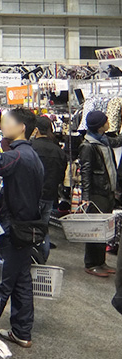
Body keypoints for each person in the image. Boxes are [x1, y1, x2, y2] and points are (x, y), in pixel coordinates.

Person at [0, 107, 44, 349]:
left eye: (7, 122)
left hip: (13, 228)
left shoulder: (16, 156)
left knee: (1, 282)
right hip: (28, 228)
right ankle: (22, 332)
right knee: (22, 281)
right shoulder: (31, 155)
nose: (2, 126)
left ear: (21, 127)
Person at [79, 110, 122, 278]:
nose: (108, 122)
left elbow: (117, 141)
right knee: (95, 230)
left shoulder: (103, 141)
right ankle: (91, 263)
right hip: (97, 194)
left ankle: (100, 261)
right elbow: (85, 173)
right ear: (99, 125)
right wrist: (86, 197)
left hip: (107, 191)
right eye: (106, 120)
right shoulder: (88, 145)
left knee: (103, 229)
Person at [31, 116, 68, 262]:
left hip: (32, 195)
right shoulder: (58, 150)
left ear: (35, 130)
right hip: (49, 196)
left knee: (27, 228)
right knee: (43, 228)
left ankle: (31, 259)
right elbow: (61, 174)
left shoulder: (30, 147)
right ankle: (42, 259)